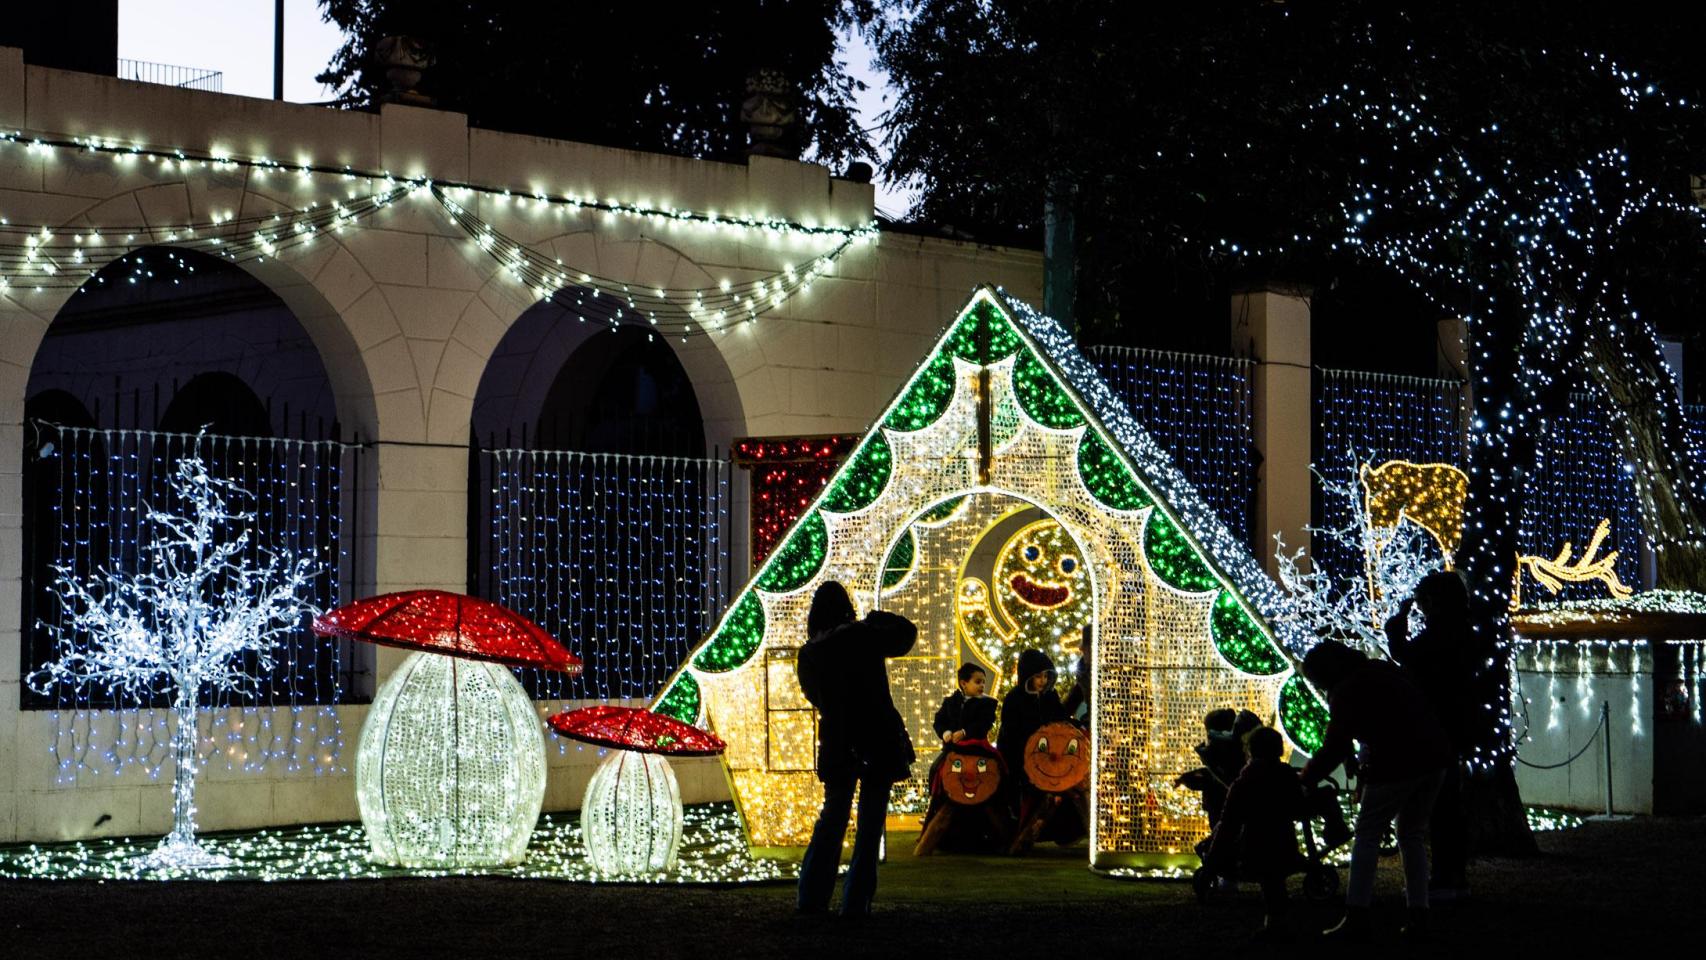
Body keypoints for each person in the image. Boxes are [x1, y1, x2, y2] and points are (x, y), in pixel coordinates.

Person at [1299, 640, 1454, 942]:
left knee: (1367, 835)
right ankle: (1418, 914)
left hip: (1396, 763)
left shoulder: (1347, 691)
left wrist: (1305, 778)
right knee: (1411, 835)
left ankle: (1357, 915)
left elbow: (1335, 745)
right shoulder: (1381, 669)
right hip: (1435, 758)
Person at [794, 581, 918, 918]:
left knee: (833, 818)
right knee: (870, 824)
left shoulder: (810, 652)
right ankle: (856, 902)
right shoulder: (863, 635)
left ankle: (812, 897)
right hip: (878, 736)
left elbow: (815, 697)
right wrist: (876, 617)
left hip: (839, 740)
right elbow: (906, 634)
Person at [1386, 571, 1474, 901]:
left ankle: (1445, 879)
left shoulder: (1443, 634)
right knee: (1447, 806)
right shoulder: (1462, 630)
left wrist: (1397, 632)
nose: (1422, 607)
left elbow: (1411, 658)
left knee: (1441, 808)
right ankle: (1452, 876)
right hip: (1454, 728)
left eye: (1424, 601)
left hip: (1438, 728)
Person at [1203, 726, 1306, 943]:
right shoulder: (1286, 775)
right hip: (1283, 838)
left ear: (1249, 750)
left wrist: (1211, 862)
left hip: (1257, 841)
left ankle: (1276, 925)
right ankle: (1279, 923)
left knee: (1271, 884)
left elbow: (1229, 822)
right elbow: (1298, 806)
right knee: (1275, 882)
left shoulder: (1244, 782)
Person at [997, 648, 1066, 795]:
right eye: (1038, 676)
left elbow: (1060, 717)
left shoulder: (1050, 696)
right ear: (1028, 676)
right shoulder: (1014, 698)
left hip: (1047, 753)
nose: (1043, 680)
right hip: (1020, 755)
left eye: (1046, 676)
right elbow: (1010, 732)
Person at [934, 662, 997, 745]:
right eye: (978, 682)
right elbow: (939, 721)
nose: (982, 685)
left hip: (976, 747)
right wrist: (945, 732)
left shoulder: (986, 703)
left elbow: (984, 723)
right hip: (952, 748)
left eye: (983, 682)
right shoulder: (951, 702)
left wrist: (964, 732)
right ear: (963, 684)